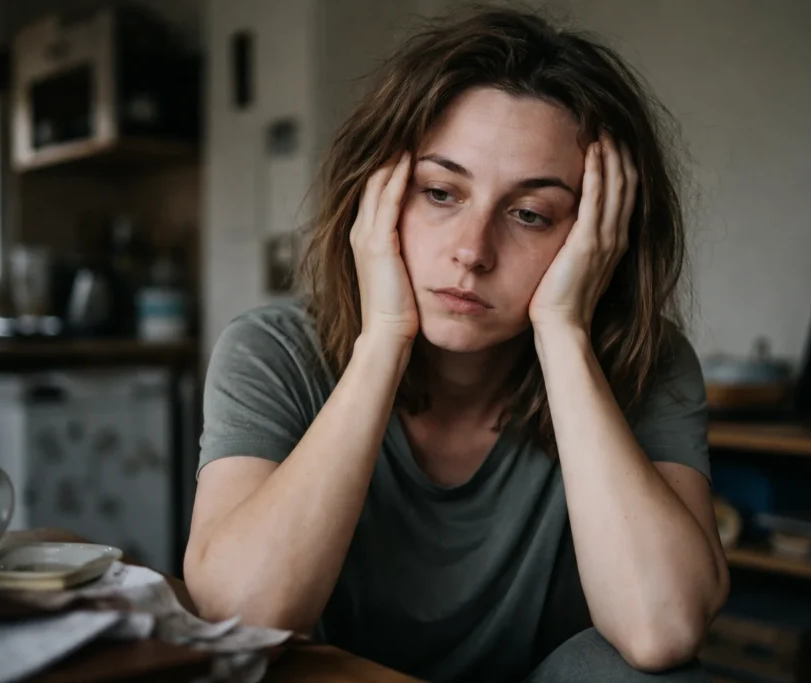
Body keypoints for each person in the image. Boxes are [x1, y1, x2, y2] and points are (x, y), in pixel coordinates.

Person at [185, 9, 728, 683]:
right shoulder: (271, 350)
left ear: (600, 238)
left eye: (530, 213)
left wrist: (564, 333)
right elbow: (242, 610)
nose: (472, 252)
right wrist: (383, 339)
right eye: (440, 192)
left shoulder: (647, 360)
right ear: (376, 198)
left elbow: (664, 627)